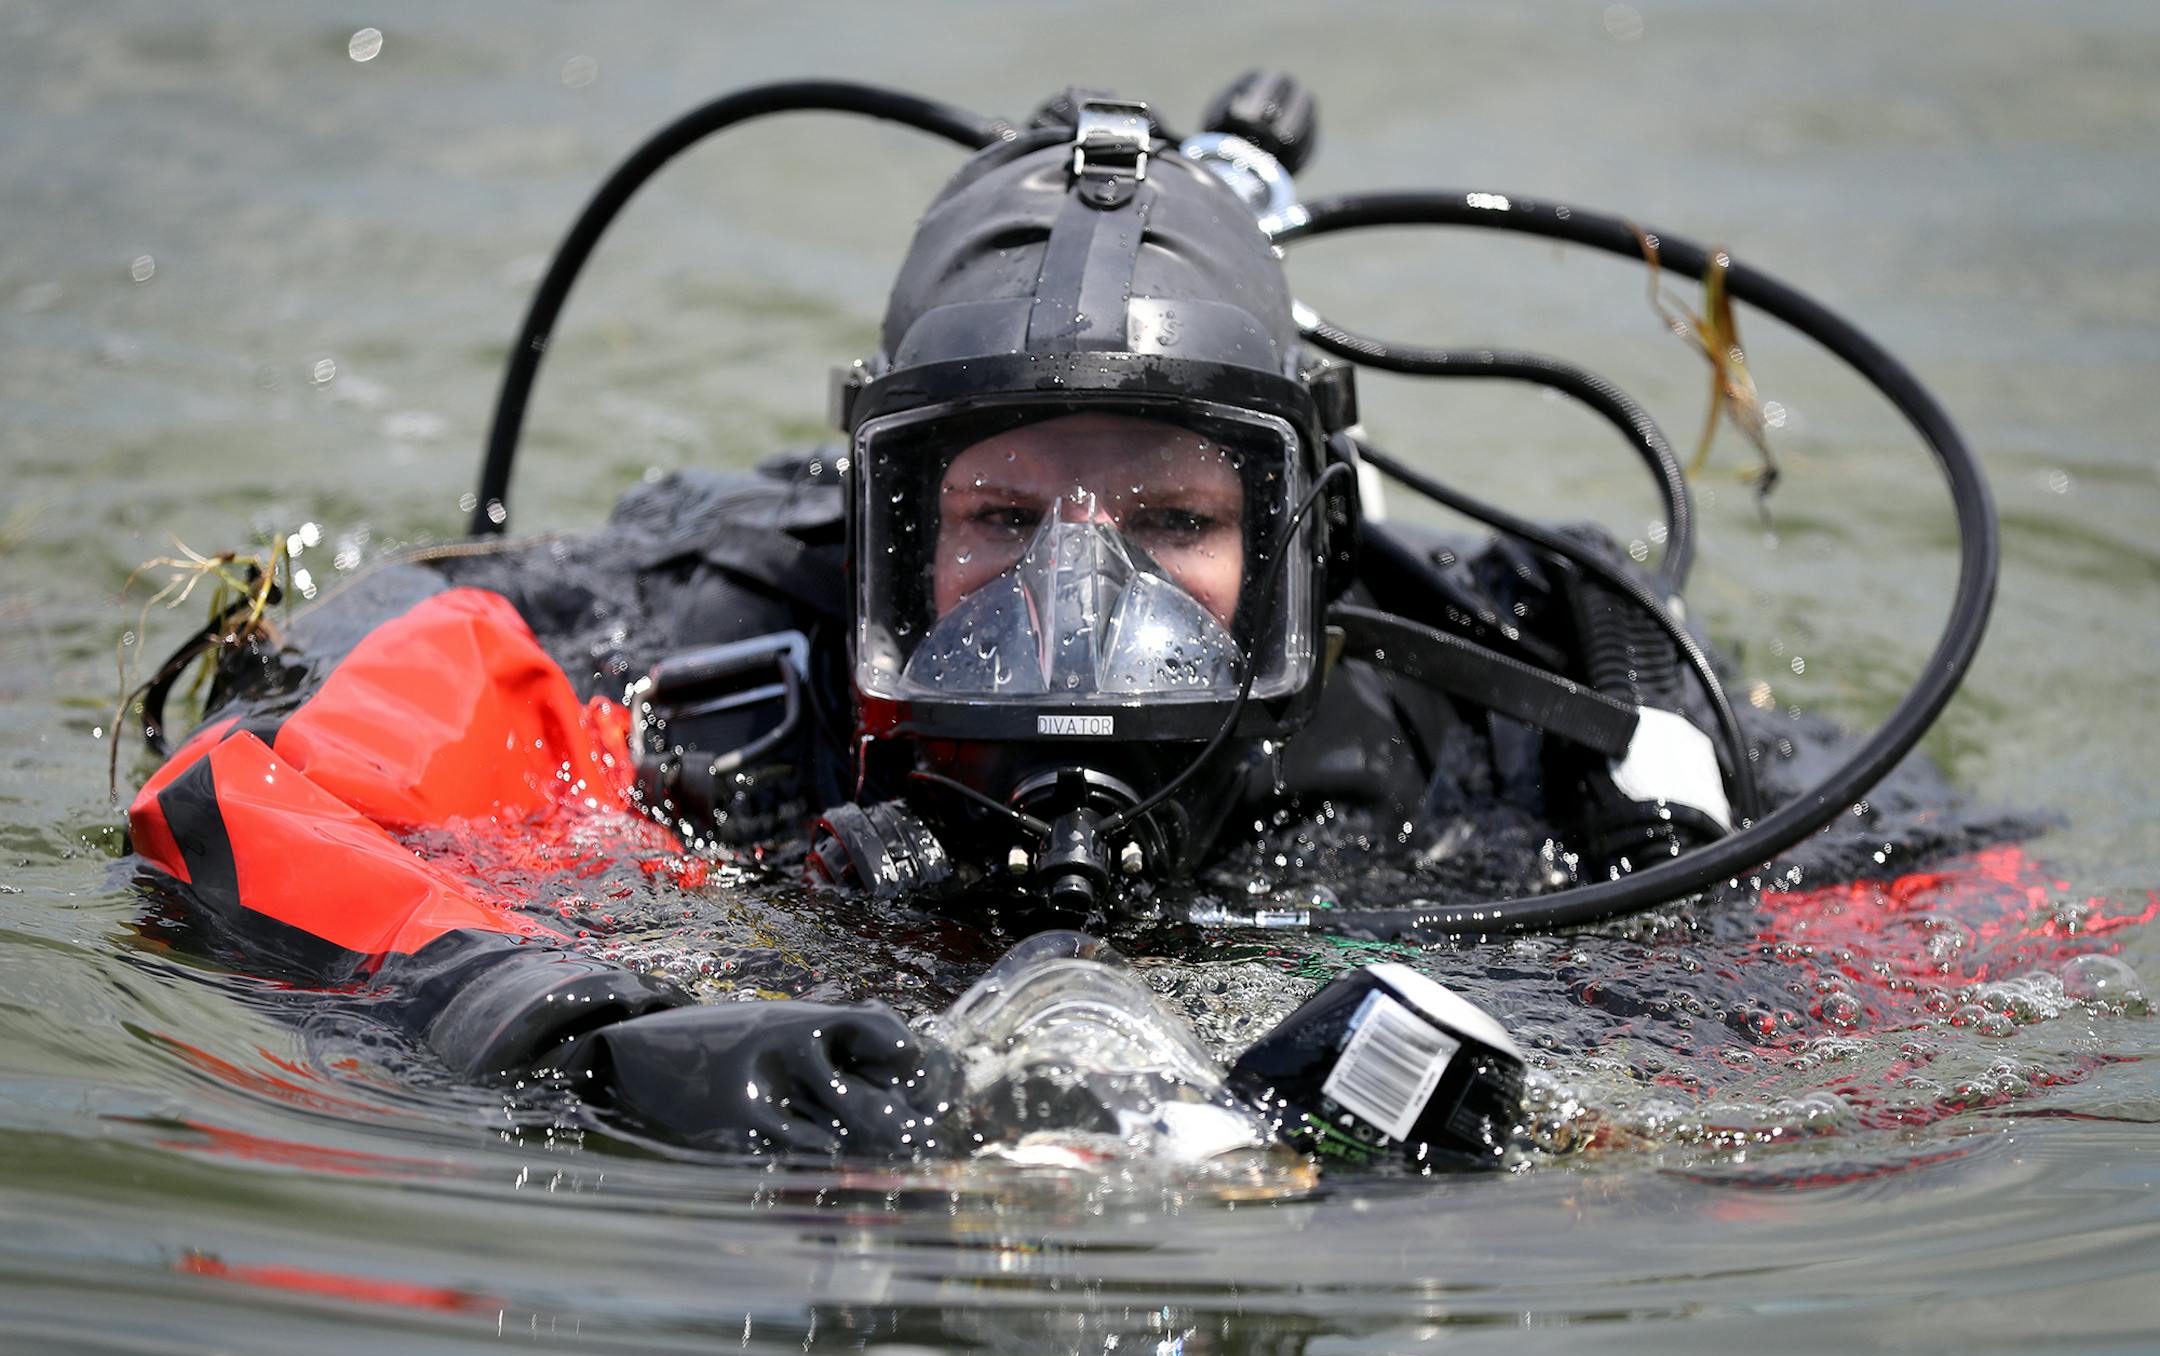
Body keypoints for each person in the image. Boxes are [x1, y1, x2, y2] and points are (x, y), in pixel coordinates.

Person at [123, 91, 1752, 1159]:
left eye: (1176, 520)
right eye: (998, 516)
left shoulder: (1500, 703)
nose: (1078, 593)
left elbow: (1947, 951)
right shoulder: (692, 627)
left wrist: (1522, 1085)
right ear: (884, 522)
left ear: (1298, 534)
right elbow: (241, 802)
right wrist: (596, 1037)